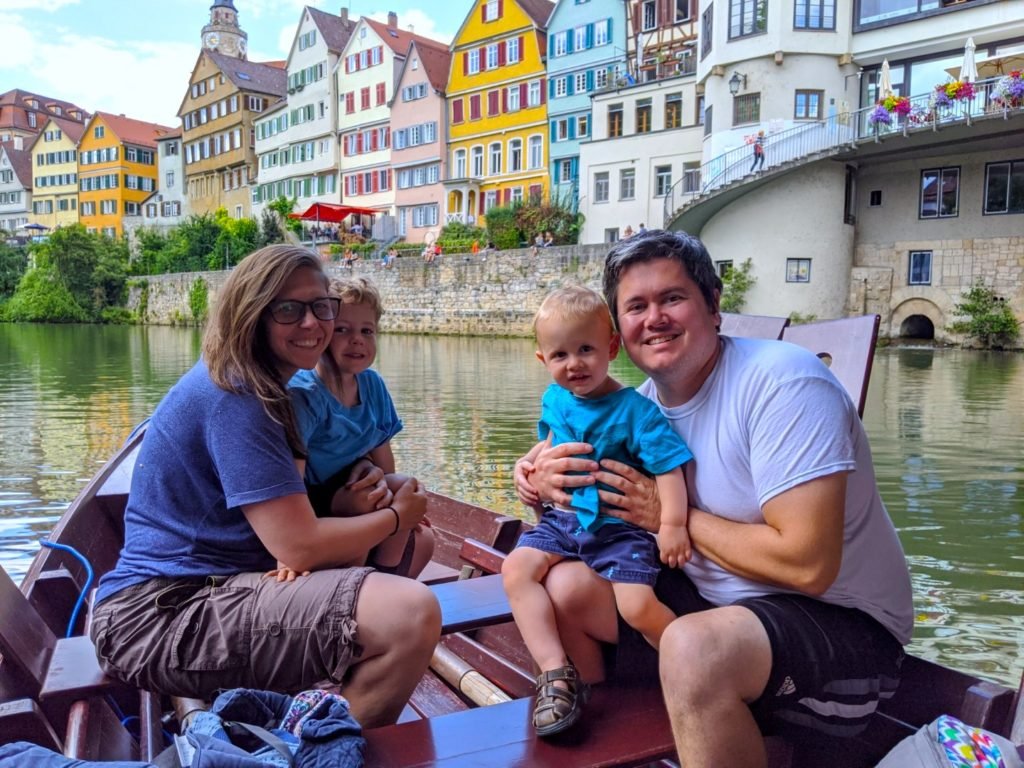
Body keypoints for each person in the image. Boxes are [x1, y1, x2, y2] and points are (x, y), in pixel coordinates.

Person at [515, 231, 912, 767]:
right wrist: (542, 484)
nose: (654, 317)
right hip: (716, 607)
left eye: (672, 298)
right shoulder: (642, 407)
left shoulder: (783, 386)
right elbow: (594, 509)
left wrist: (667, 515)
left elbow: (808, 566)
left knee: (692, 650)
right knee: (564, 584)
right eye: (636, 305)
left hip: (839, 635)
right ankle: (598, 728)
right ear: (619, 331)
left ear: (714, 305)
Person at [89, 245, 440, 727]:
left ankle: (302, 727)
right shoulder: (238, 397)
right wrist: (397, 518)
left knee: (392, 570)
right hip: (160, 616)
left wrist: (357, 503)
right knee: (409, 613)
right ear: (251, 315)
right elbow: (298, 548)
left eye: (321, 306)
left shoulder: (260, 387)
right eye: (289, 309)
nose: (313, 323)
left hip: (198, 593)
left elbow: (296, 527)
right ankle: (320, 753)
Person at [502, 286, 693, 738]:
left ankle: (693, 665)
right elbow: (552, 443)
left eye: (586, 350)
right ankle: (558, 674)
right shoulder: (556, 399)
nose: (574, 365)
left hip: (618, 530)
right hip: (565, 522)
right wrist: (528, 467)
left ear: (610, 347)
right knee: (516, 569)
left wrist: (673, 525)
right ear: (543, 361)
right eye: (560, 355)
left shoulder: (637, 412)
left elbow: (670, 469)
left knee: (639, 606)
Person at [290, 277, 434, 579]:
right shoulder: (306, 395)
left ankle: (384, 573)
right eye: (343, 330)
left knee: (408, 486)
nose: (357, 340)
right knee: (365, 501)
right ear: (322, 332)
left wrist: (401, 499)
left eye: (367, 331)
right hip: (313, 500)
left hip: (352, 482)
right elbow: (293, 482)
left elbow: (385, 462)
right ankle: (352, 585)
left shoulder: (373, 385)